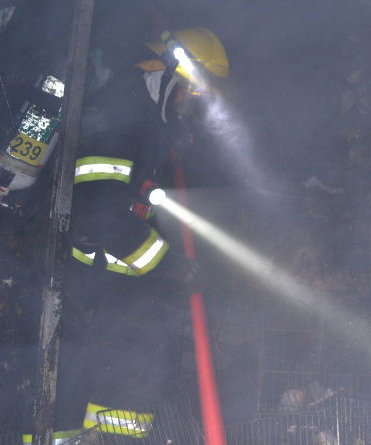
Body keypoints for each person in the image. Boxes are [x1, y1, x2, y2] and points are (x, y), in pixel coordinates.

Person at [32, 27, 231, 441]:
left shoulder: (148, 127)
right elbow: (95, 212)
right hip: (90, 294)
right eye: (188, 95)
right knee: (67, 403)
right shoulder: (118, 119)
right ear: (167, 79)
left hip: (116, 302)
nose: (186, 107)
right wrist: (168, 264)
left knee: (118, 408)